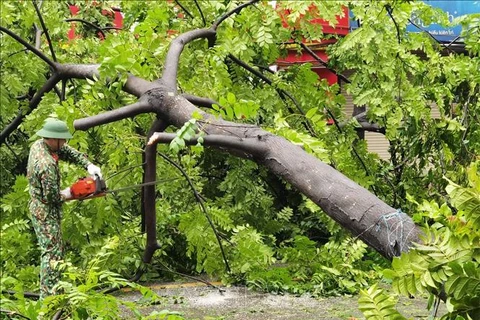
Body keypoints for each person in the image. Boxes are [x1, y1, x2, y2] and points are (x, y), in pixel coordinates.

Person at [27, 118, 102, 299]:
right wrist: (70, 193)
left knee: (55, 251)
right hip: (44, 211)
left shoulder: (41, 144)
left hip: (42, 206)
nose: (64, 143)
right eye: (62, 140)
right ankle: (49, 299)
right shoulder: (46, 164)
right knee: (52, 254)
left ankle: (56, 292)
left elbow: (66, 151)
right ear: (53, 139)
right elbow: (52, 197)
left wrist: (88, 165)